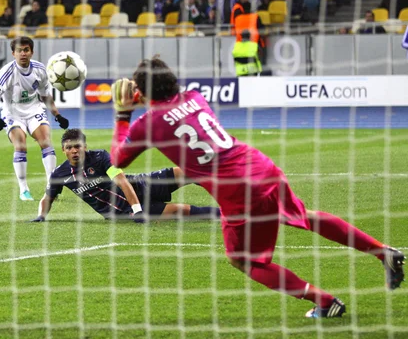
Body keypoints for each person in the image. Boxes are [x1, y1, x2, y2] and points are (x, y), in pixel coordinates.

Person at [109, 57, 405, 318]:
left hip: (237, 191)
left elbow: (118, 158)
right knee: (306, 215)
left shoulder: (148, 123)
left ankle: (325, 301)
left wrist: (123, 114)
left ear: (141, 92)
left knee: (242, 259)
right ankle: (382, 252)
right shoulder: (195, 96)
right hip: (260, 166)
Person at [32, 129, 222, 222]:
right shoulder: (60, 174)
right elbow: (47, 198)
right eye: (69, 148)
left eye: (77, 146)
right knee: (182, 210)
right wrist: (41, 216)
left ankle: (224, 177)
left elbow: (121, 180)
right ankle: (228, 215)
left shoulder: (100, 157)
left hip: (138, 186)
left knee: (184, 172)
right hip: (121, 211)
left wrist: (137, 209)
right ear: (63, 150)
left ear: (85, 147)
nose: (74, 151)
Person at [0, 36, 70, 201]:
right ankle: (24, 189)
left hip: (34, 111)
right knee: (21, 146)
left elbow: (46, 96)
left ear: (31, 52)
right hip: (13, 114)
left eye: (26, 50)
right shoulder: (5, 73)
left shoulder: (40, 70)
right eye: (19, 50)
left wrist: (57, 115)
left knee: (46, 142)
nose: (23, 53)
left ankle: (51, 186)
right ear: (13, 53)